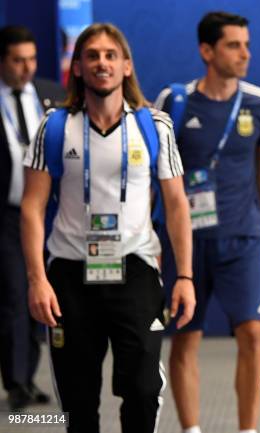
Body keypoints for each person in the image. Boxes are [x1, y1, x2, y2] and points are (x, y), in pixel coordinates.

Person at [20, 23, 195, 433]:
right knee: (78, 403)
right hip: (68, 276)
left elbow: (176, 205)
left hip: (135, 269)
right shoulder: (54, 126)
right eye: (93, 55)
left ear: (126, 66)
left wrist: (184, 275)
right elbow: (32, 207)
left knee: (141, 388)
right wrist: (36, 280)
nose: (102, 62)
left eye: (111, 55)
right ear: (77, 67)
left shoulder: (155, 126)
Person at [154, 11, 260, 433]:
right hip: (185, 245)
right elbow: (158, 180)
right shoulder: (173, 102)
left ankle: (247, 430)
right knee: (186, 338)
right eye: (233, 45)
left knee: (251, 335)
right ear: (207, 51)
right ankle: (191, 429)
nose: (245, 52)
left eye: (246, 44)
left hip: (242, 240)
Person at [0, 25, 64, 410]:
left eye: (31, 59)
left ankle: (29, 375)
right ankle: (17, 382)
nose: (26, 68)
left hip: (51, 215)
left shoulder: (51, 95)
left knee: (43, 297)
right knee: (12, 297)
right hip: (6, 216)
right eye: (17, 60)